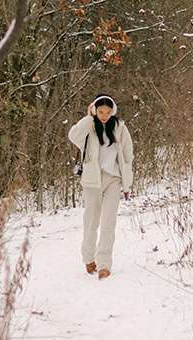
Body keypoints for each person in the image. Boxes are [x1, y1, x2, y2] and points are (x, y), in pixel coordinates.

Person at [68, 94, 133, 280]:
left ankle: (104, 264)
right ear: (95, 110)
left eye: (108, 112)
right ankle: (89, 258)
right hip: (92, 180)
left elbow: (128, 155)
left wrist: (127, 182)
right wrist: (89, 117)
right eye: (101, 111)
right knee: (91, 221)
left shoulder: (120, 128)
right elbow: (73, 135)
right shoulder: (89, 127)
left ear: (113, 111)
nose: (104, 115)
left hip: (113, 179)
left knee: (108, 223)